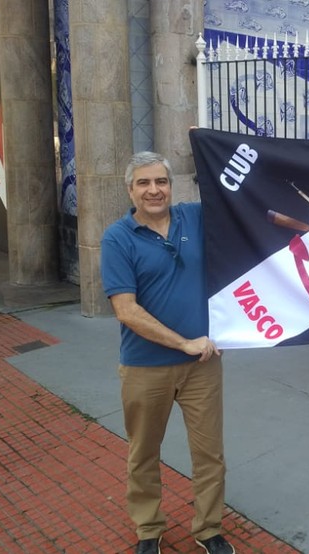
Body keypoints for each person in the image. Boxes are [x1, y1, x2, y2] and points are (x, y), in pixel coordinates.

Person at [101, 151, 235, 554]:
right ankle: (148, 529)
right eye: (143, 183)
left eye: (161, 181)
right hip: (146, 368)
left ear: (171, 186)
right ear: (130, 190)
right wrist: (183, 342)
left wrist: (208, 146)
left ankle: (208, 527)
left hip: (202, 366)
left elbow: (239, 200)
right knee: (143, 454)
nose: (154, 190)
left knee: (210, 454)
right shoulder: (118, 238)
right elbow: (126, 310)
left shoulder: (194, 217)